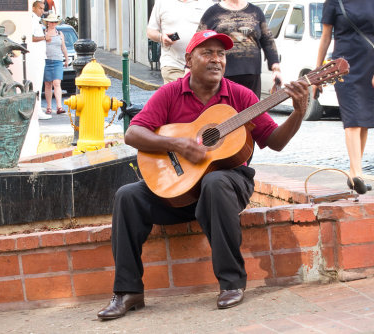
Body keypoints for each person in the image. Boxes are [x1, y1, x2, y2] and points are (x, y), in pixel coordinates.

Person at [96, 30, 308, 321]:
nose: (216, 60)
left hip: (229, 185)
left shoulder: (240, 96)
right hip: (182, 190)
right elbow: (133, 133)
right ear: (188, 60)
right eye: (207, 53)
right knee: (127, 196)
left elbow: (276, 141)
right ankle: (128, 291)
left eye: (221, 54)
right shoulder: (170, 93)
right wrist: (175, 143)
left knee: (215, 180)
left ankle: (231, 283)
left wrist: (298, 112)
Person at [313, 0, 374, 194]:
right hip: (343, 67)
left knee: (363, 119)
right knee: (353, 118)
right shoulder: (333, 2)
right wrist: (317, 73)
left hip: (370, 65)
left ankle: (353, 174)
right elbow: (325, 38)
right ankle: (357, 174)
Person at [197, 0, 281, 99]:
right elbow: (199, 40)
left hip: (251, 74)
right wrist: (189, 68)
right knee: (224, 111)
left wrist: (276, 69)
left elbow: (267, 40)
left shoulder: (256, 11)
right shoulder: (212, 12)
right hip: (222, 74)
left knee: (252, 111)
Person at [147, 0, 217, 84]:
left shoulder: (207, 3)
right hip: (173, 64)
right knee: (177, 95)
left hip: (201, 65)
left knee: (198, 96)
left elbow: (215, 31)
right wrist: (161, 37)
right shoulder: (162, 2)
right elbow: (150, 31)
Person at [21, 1, 52, 158]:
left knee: (39, 83)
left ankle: (38, 108)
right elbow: (32, 37)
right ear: (33, 7)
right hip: (35, 56)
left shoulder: (36, 20)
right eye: (40, 8)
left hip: (39, 56)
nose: (42, 11)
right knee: (37, 83)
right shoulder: (31, 19)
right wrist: (45, 37)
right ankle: (37, 109)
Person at [42, 13, 68, 115]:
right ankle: (48, 107)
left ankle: (59, 106)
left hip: (57, 61)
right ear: (47, 23)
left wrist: (66, 59)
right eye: (51, 22)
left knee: (57, 83)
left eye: (55, 22)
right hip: (46, 61)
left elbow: (63, 47)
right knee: (48, 84)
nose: (53, 24)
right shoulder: (43, 33)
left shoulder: (60, 34)